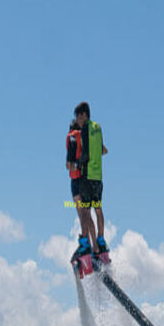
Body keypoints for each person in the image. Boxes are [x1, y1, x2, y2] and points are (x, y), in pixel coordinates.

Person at [73, 101, 108, 256]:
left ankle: (88, 247)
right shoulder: (98, 127)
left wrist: (77, 163)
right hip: (98, 177)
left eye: (79, 118)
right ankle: (101, 242)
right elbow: (103, 150)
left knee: (86, 212)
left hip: (87, 177)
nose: (78, 122)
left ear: (84, 115)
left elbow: (85, 154)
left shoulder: (86, 128)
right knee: (98, 209)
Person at [66, 119, 96, 258]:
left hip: (77, 182)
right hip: (80, 181)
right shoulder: (80, 140)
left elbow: (68, 165)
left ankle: (92, 247)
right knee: (86, 216)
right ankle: (92, 247)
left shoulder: (73, 139)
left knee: (83, 215)